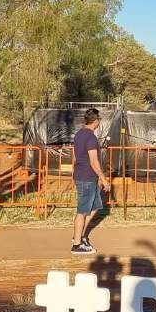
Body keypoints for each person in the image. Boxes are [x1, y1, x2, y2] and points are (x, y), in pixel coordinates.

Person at [71, 108, 111, 255]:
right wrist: (104, 179)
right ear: (95, 121)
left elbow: (74, 157)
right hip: (86, 178)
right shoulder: (91, 138)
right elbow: (94, 162)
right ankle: (76, 245)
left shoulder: (79, 134)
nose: (99, 122)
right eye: (99, 119)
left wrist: (73, 173)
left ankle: (79, 235)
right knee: (82, 211)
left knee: (95, 206)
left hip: (84, 176)